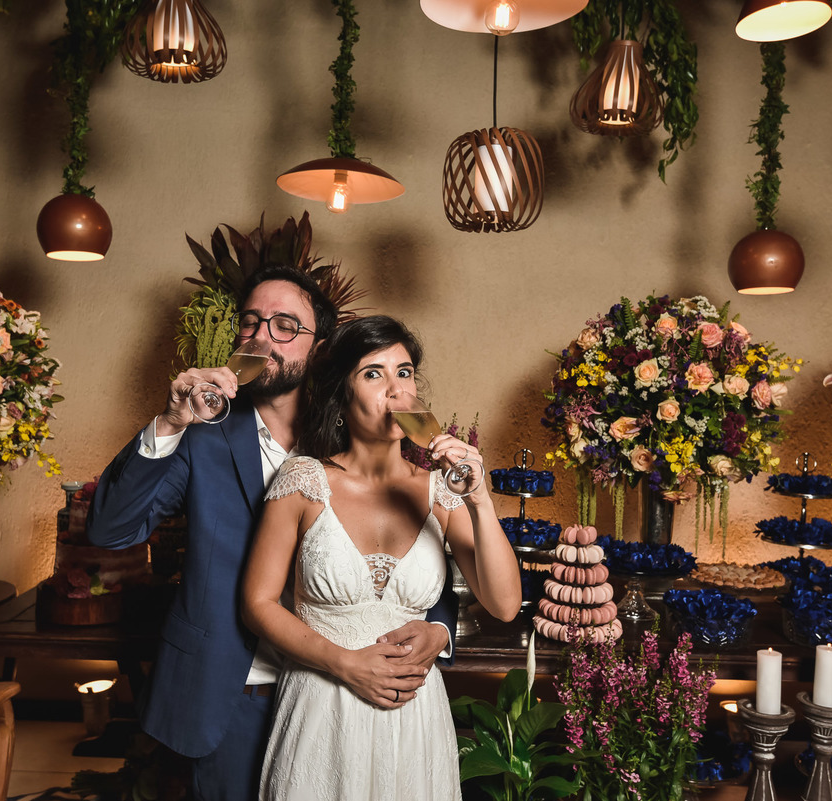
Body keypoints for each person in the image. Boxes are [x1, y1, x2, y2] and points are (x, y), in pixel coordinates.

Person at [85, 268, 458, 801]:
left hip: (348, 701)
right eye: (251, 322)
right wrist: (169, 423)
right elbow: (110, 529)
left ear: (322, 350)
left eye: (286, 325)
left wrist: (440, 629)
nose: (262, 336)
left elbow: (413, 554)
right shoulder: (201, 434)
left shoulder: (365, 433)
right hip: (236, 693)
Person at [241, 315, 522, 800]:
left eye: (405, 372)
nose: (396, 390)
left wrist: (480, 500)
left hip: (413, 716)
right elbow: (259, 603)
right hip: (322, 704)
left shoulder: (440, 492)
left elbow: (504, 604)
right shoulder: (303, 480)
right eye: (374, 374)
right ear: (342, 398)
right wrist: (344, 664)